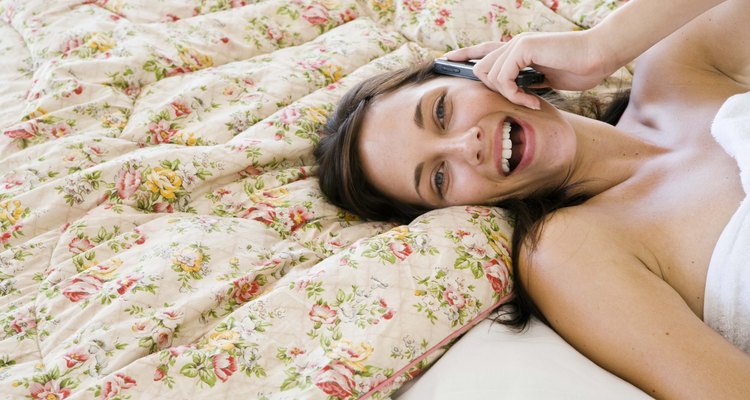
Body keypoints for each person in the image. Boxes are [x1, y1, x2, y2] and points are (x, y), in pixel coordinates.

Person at [314, 0, 750, 398]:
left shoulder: (678, 62)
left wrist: (604, 45)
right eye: (440, 177)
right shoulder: (573, 252)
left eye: (441, 112)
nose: (469, 146)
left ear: (472, 68)